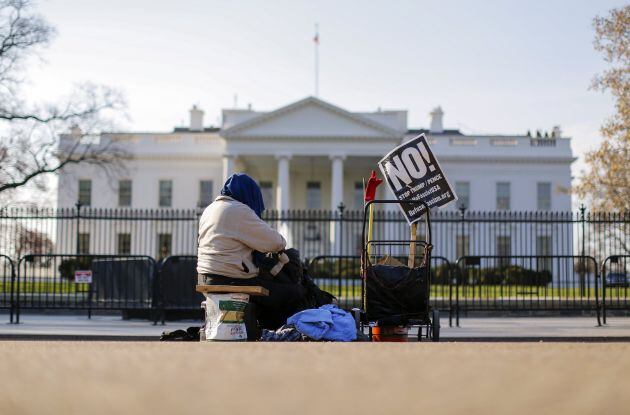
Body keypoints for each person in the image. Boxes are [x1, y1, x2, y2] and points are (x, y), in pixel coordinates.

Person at [197, 173, 307, 330]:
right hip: (229, 278)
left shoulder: (210, 209)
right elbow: (277, 242)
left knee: (272, 288)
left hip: (205, 277)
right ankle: (274, 332)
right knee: (292, 292)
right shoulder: (238, 210)